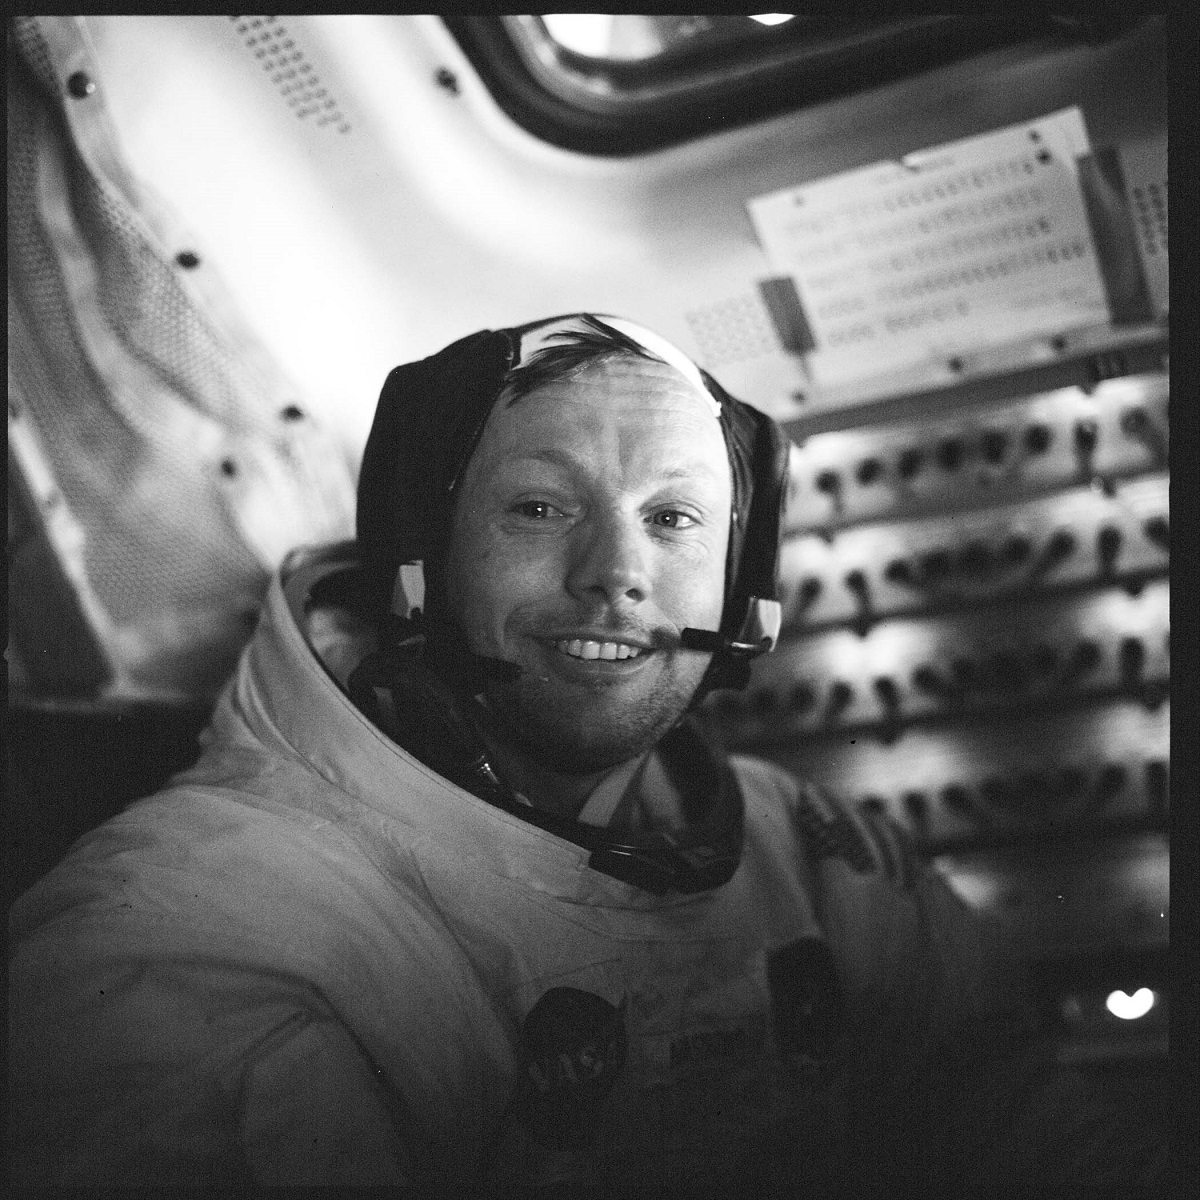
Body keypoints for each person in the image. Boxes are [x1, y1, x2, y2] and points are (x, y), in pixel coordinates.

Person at [8, 315, 1165, 1194]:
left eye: (673, 519)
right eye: (541, 510)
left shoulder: (810, 860)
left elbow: (1020, 1129)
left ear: (743, 590)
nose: (615, 572)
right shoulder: (186, 951)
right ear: (419, 558)